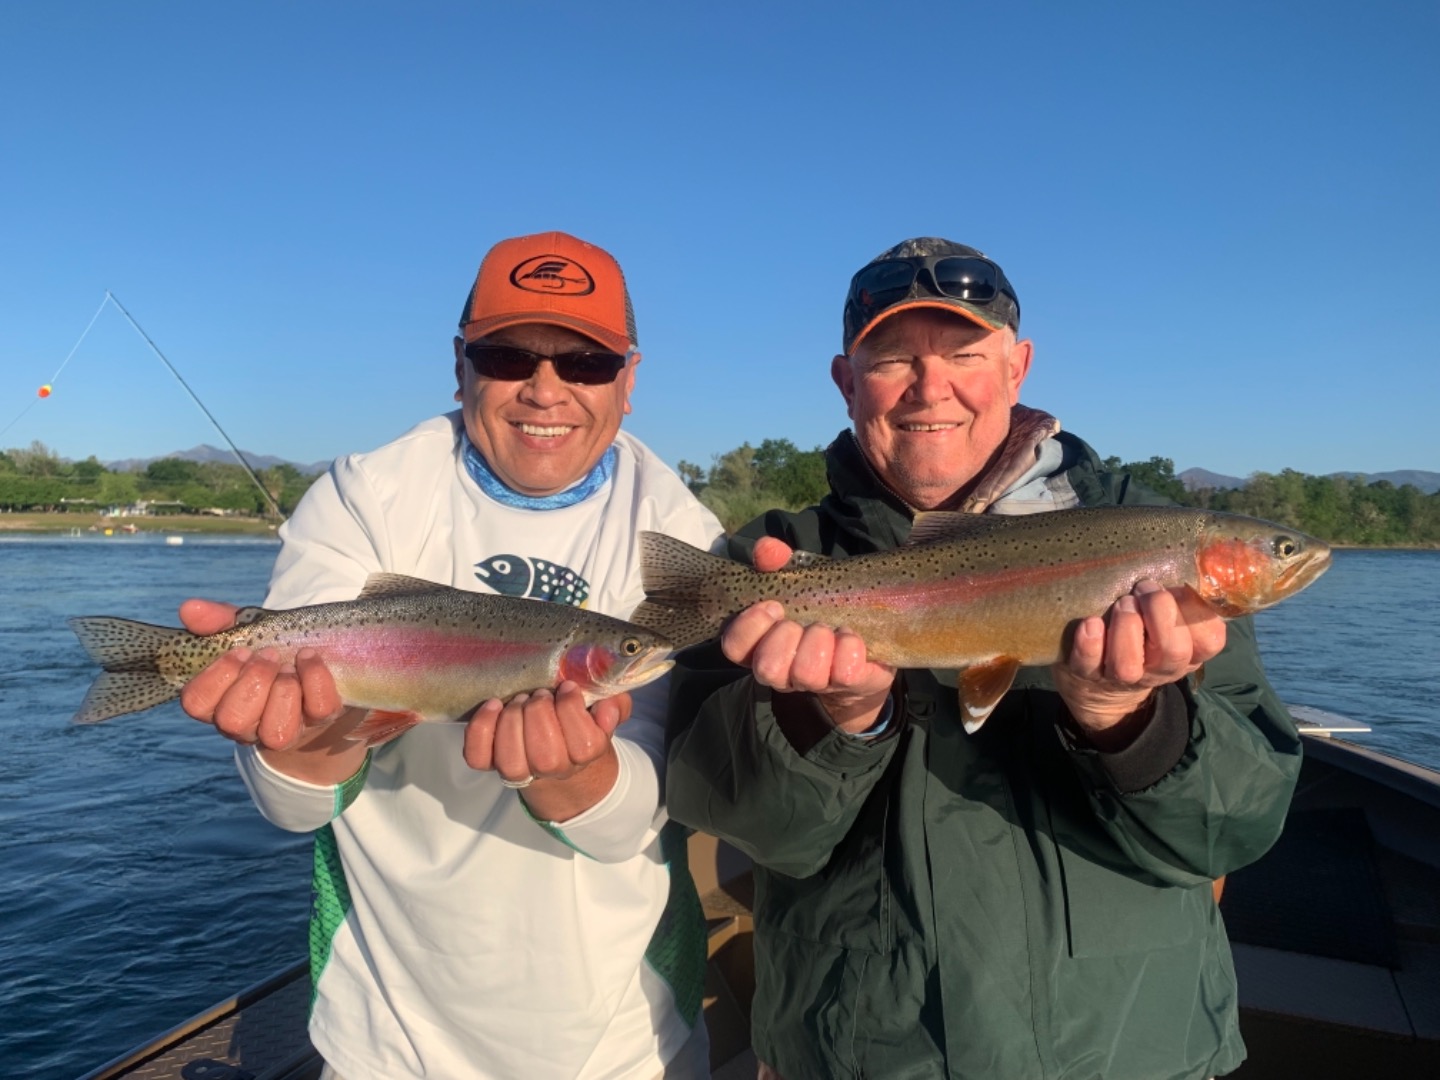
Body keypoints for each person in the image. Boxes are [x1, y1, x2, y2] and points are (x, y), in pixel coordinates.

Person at [665, 238, 1301, 1079]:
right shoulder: (773, 561)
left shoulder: (1162, 549)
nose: (933, 388)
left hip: (1131, 1055)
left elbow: (1240, 824)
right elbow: (726, 812)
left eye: (964, 354)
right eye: (893, 359)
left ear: (1017, 366)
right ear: (846, 381)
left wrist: (1129, 721)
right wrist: (833, 717)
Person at [178, 231, 724, 1080]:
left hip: (624, 1036)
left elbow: (635, 821)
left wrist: (570, 778)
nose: (546, 389)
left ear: (629, 380)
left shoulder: (682, 537)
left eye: (584, 363)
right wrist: (295, 737)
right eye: (508, 355)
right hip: (386, 1037)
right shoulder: (365, 495)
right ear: (460, 362)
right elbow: (294, 809)